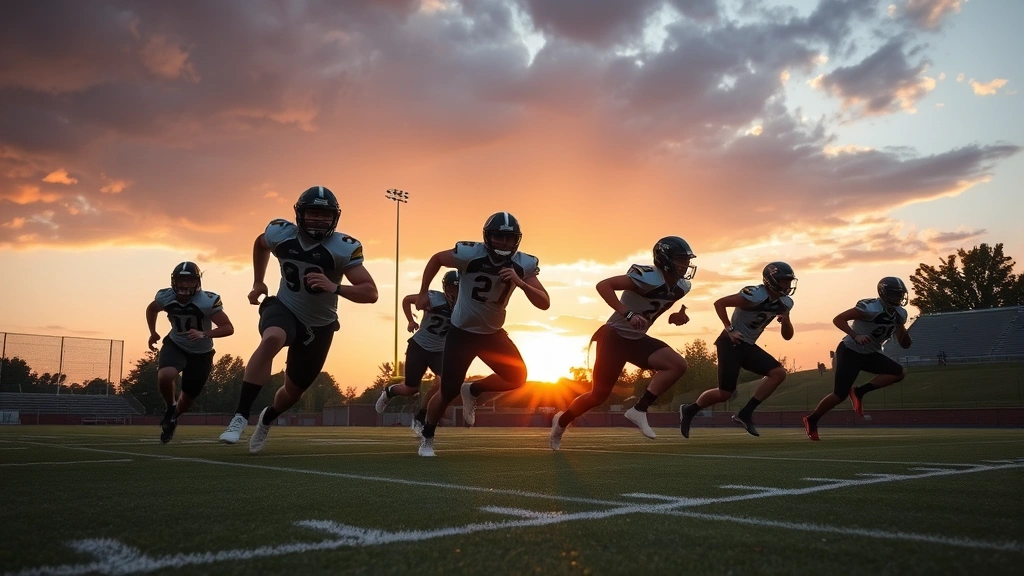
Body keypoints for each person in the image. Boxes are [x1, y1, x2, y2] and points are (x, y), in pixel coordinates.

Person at [218, 185, 378, 453]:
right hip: (284, 306)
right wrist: (258, 281)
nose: (318, 220)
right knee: (272, 338)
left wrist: (335, 286)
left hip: (319, 325)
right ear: (299, 214)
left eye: (324, 215)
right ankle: (240, 416)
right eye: (312, 213)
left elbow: (370, 292)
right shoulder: (281, 234)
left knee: (293, 393)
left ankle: (266, 418)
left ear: (334, 218)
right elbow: (260, 243)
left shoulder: (341, 248)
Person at [415, 212, 550, 457]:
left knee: (517, 376)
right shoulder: (470, 254)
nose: (504, 243)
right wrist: (423, 291)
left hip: (492, 334)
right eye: (499, 237)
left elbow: (544, 303)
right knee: (447, 392)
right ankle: (427, 436)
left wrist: (521, 282)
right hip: (461, 333)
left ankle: (473, 390)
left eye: (510, 239)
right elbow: (437, 259)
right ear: (488, 237)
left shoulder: (523, 264)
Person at [550, 237, 694, 450]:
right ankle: (561, 421)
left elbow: (653, 307)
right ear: (664, 260)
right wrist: (626, 313)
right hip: (615, 336)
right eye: (680, 260)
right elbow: (604, 285)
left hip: (636, 340)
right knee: (598, 395)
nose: (685, 266)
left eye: (686, 261)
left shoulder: (682, 286)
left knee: (677, 365)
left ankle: (639, 410)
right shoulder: (647, 277)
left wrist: (675, 317)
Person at [679, 262, 797, 438]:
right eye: (784, 281)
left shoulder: (785, 303)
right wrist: (730, 329)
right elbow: (719, 303)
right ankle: (689, 409)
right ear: (772, 280)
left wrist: (786, 321)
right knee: (725, 393)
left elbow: (787, 336)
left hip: (747, 345)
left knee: (778, 373)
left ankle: (745, 413)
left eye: (789, 281)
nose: (787, 285)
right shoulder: (754, 295)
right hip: (730, 342)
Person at [802, 277, 912, 440]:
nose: (898, 298)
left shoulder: (900, 314)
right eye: (895, 294)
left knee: (899, 372)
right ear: (884, 293)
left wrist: (901, 328)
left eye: (900, 294)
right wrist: (855, 335)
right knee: (839, 394)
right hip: (850, 351)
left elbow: (905, 344)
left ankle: (859, 391)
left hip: (869, 353)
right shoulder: (870, 308)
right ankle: (812, 419)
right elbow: (838, 319)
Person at [146, 262, 234, 444]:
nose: (185, 285)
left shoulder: (207, 301)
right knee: (165, 375)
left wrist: (204, 333)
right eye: (182, 280)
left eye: (190, 280)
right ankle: (170, 407)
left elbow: (228, 328)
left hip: (202, 352)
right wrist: (153, 331)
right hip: (176, 343)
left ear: (197, 282)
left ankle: (172, 418)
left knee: (188, 397)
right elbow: (152, 308)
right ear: (174, 281)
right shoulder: (166, 297)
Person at [375, 270, 459, 435]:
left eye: (458, 288)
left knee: (445, 383)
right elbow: (407, 300)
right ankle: (389, 392)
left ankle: (421, 416)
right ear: (446, 288)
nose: (455, 292)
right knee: (410, 389)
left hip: (439, 351)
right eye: (452, 288)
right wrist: (411, 321)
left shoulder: (464, 306)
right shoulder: (434, 298)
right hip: (419, 347)